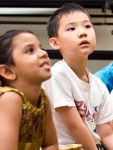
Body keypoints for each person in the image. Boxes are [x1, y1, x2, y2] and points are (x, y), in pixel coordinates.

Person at [42, 2, 113, 150]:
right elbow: (75, 126)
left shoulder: (98, 84)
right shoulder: (57, 75)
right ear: (55, 43)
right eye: (71, 28)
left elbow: (106, 134)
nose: (82, 32)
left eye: (87, 26)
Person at [0, 29, 58, 150]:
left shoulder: (43, 98)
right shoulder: (9, 98)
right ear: (8, 71)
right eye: (30, 51)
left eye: (40, 48)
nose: (43, 53)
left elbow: (50, 145)